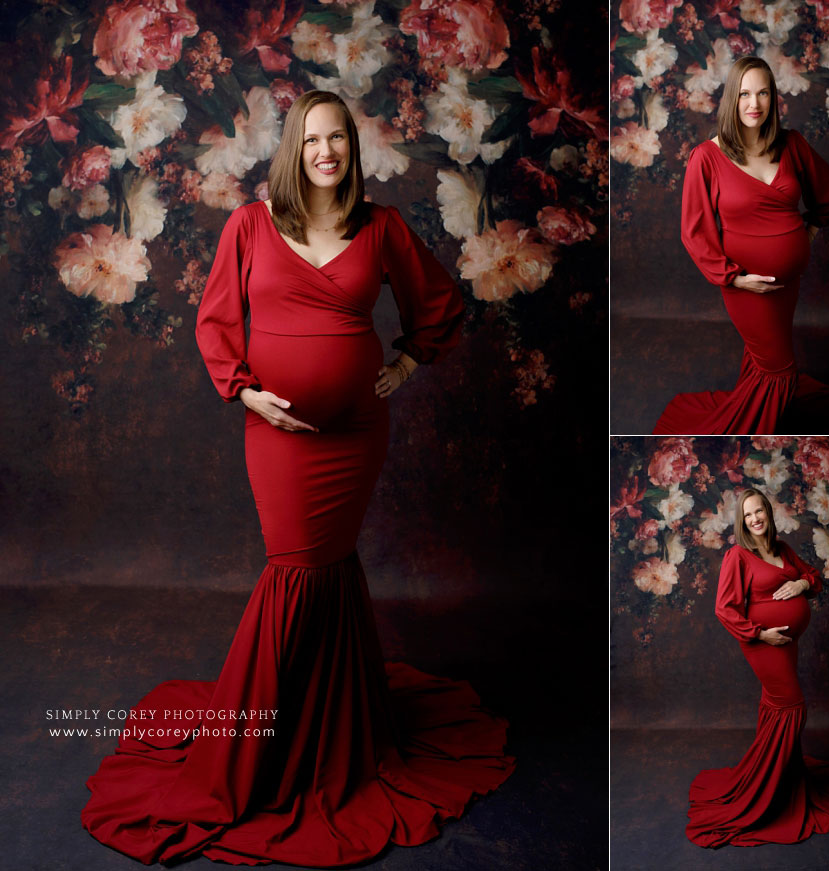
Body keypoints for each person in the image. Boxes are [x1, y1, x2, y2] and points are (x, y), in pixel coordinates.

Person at [81, 91, 515, 866]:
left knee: (329, 566)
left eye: (338, 139)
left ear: (352, 149)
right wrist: (248, 391)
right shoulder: (249, 226)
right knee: (297, 568)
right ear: (293, 149)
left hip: (355, 436)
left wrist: (409, 359)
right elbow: (214, 323)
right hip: (276, 438)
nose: (326, 152)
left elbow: (441, 303)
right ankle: (249, 757)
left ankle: (338, 733)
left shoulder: (380, 229)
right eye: (313, 139)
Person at [653, 56, 829, 435]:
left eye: (762, 93)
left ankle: (758, 410)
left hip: (788, 285)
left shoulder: (791, 144)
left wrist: (807, 232)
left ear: (773, 98)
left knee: (764, 360)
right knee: (780, 369)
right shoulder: (706, 157)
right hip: (746, 287)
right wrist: (735, 279)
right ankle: (749, 432)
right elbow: (694, 231)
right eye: (744, 94)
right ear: (732, 99)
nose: (754, 104)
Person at [685, 487, 829, 847]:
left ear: (768, 513)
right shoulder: (738, 556)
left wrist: (799, 582)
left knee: (773, 710)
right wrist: (761, 634)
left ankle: (786, 784)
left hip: (788, 644)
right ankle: (761, 795)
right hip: (764, 644)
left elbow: (813, 578)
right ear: (742, 521)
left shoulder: (782, 550)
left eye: (759, 511)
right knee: (792, 709)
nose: (754, 518)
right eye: (747, 514)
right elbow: (725, 608)